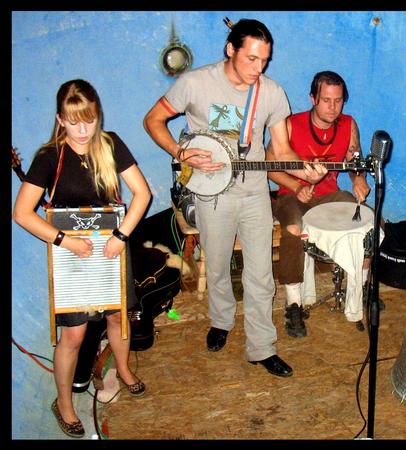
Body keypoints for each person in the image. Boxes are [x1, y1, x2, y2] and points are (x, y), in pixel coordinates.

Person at [143, 19, 326, 378]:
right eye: (251, 59)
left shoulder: (271, 92)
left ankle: (262, 347)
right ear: (231, 49)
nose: (259, 68)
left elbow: (281, 150)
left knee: (261, 274)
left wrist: (307, 173)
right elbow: (152, 120)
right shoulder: (195, 83)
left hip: (254, 192)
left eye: (265, 60)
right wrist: (180, 152)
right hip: (211, 193)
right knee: (217, 264)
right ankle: (222, 320)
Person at [13, 79, 152, 438]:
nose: (82, 129)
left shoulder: (110, 144)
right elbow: (22, 213)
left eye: (89, 120)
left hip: (112, 248)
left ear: (97, 115)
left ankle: (123, 370)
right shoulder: (49, 157)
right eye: (73, 121)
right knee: (73, 336)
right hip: (71, 257)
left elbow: (142, 193)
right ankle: (63, 403)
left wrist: (121, 236)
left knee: (118, 318)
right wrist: (65, 241)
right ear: (60, 120)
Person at [266, 71, 371, 338]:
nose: (333, 107)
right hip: (292, 195)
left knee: (368, 224)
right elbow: (270, 167)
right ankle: (293, 304)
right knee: (293, 229)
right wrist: (296, 186)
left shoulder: (348, 125)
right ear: (313, 98)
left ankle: (360, 290)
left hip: (329, 195)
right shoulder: (290, 124)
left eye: (338, 100)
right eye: (326, 100)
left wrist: (358, 178)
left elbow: (354, 161)